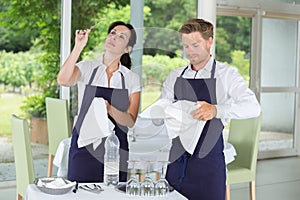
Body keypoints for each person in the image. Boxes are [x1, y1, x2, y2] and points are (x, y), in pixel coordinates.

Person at [159, 18, 261, 199]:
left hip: (209, 162)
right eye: (186, 46)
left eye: (195, 45)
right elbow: (162, 108)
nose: (190, 51)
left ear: (209, 41)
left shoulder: (226, 74)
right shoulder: (175, 76)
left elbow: (253, 107)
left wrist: (216, 110)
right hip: (176, 159)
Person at [57, 21, 140, 183]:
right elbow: (63, 80)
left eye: (121, 36)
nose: (113, 37)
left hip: (116, 150)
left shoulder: (131, 79)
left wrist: (108, 109)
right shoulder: (88, 68)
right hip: (84, 148)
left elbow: (130, 121)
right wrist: (78, 47)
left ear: (127, 49)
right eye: (113, 33)